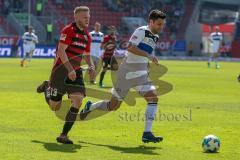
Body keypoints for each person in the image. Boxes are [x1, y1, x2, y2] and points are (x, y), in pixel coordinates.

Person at [80, 10, 166, 143]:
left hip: (141, 74)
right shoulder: (141, 31)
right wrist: (148, 56)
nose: (161, 27)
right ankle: (90, 106)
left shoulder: (155, 36)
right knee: (113, 106)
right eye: (159, 24)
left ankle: (147, 133)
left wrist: (147, 64)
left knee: (153, 98)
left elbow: (143, 54)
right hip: (126, 73)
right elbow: (130, 48)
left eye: (162, 24)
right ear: (151, 22)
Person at [36, 6, 95, 144]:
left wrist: (91, 65)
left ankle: (63, 135)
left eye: (88, 17)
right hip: (61, 71)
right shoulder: (68, 30)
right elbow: (61, 51)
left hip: (76, 71)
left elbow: (86, 54)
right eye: (84, 17)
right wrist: (69, 69)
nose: (87, 19)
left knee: (78, 100)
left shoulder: (87, 35)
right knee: (54, 106)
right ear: (76, 17)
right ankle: (46, 88)